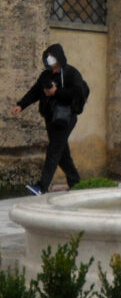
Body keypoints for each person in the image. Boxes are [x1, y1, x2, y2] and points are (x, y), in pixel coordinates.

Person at [10, 44, 85, 195]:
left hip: (66, 118)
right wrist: (21, 105)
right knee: (62, 152)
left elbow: (78, 93)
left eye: (52, 56)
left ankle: (41, 187)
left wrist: (57, 92)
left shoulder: (71, 73)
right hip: (50, 118)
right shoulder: (46, 75)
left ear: (59, 56)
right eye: (47, 56)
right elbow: (35, 92)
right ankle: (76, 183)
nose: (49, 59)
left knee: (53, 150)